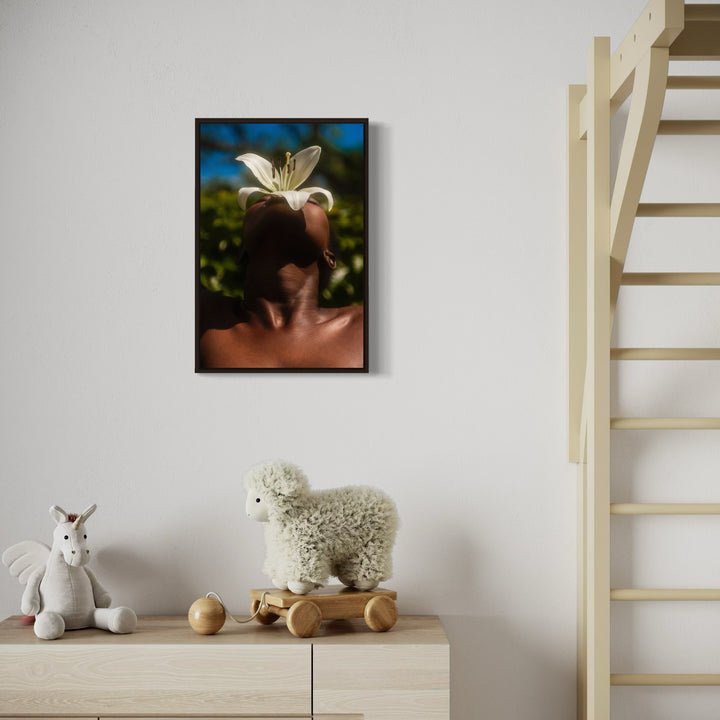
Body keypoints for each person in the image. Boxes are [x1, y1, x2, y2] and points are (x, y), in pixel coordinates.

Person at [198, 196, 364, 369]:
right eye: (261, 199)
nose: (282, 194)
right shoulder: (200, 312)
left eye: (310, 200)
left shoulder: (365, 325)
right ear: (242, 252)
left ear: (329, 256)